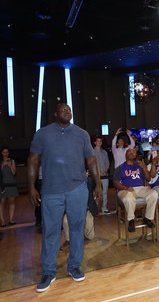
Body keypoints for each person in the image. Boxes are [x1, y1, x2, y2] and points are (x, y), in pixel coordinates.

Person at [27, 103, 102, 293]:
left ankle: (74, 266)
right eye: (63, 110)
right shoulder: (42, 134)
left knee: (77, 228)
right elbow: (33, 161)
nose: (67, 112)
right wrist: (31, 187)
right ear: (55, 114)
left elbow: (91, 160)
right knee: (50, 231)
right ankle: (49, 272)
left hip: (77, 189)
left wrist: (98, 184)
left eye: (69, 109)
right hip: (51, 191)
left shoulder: (81, 134)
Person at [113, 147, 157, 232]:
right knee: (129, 197)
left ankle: (148, 218)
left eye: (133, 152)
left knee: (154, 193)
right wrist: (125, 188)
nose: (131, 153)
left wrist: (144, 168)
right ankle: (131, 220)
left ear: (136, 155)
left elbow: (148, 179)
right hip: (125, 190)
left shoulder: (140, 166)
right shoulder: (120, 168)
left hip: (140, 188)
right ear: (125, 155)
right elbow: (115, 183)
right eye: (129, 151)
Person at [0, 147, 18, 227]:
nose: (5, 154)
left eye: (7, 152)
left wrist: (10, 165)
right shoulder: (0, 162)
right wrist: (2, 166)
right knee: (2, 202)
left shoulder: (12, 161)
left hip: (11, 184)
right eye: (4, 152)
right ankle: (2, 220)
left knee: (12, 202)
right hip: (2, 185)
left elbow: (14, 173)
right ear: (1, 153)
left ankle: (11, 219)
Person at [93, 136, 110, 214]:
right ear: (95, 142)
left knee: (105, 192)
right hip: (95, 176)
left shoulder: (104, 152)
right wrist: (98, 172)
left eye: (100, 141)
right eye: (98, 141)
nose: (99, 142)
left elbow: (107, 163)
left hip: (104, 175)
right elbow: (92, 164)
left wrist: (105, 171)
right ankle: (95, 208)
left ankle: (104, 208)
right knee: (95, 192)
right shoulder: (92, 152)